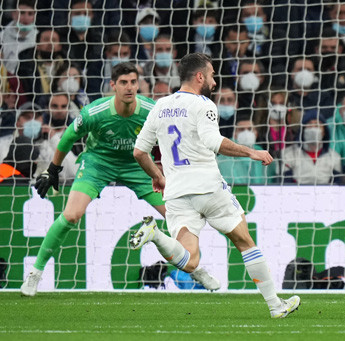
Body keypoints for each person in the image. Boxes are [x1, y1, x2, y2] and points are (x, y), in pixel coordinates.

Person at [19, 63, 219, 297]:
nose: (129, 87)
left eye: (133, 82)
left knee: (179, 216)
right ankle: (34, 273)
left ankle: (194, 268)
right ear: (113, 85)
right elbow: (68, 137)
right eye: (123, 82)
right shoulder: (95, 112)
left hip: (137, 165)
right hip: (98, 163)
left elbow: (173, 137)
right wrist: (53, 169)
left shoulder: (152, 110)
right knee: (72, 214)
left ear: (138, 84)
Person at [130, 53, 300, 318]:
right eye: (211, 75)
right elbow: (214, 142)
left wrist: (157, 176)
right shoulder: (204, 104)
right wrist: (251, 152)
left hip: (176, 192)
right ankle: (275, 305)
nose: (214, 81)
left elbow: (139, 152)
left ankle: (155, 235)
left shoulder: (160, 106)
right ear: (199, 76)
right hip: (208, 187)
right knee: (245, 242)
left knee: (190, 261)